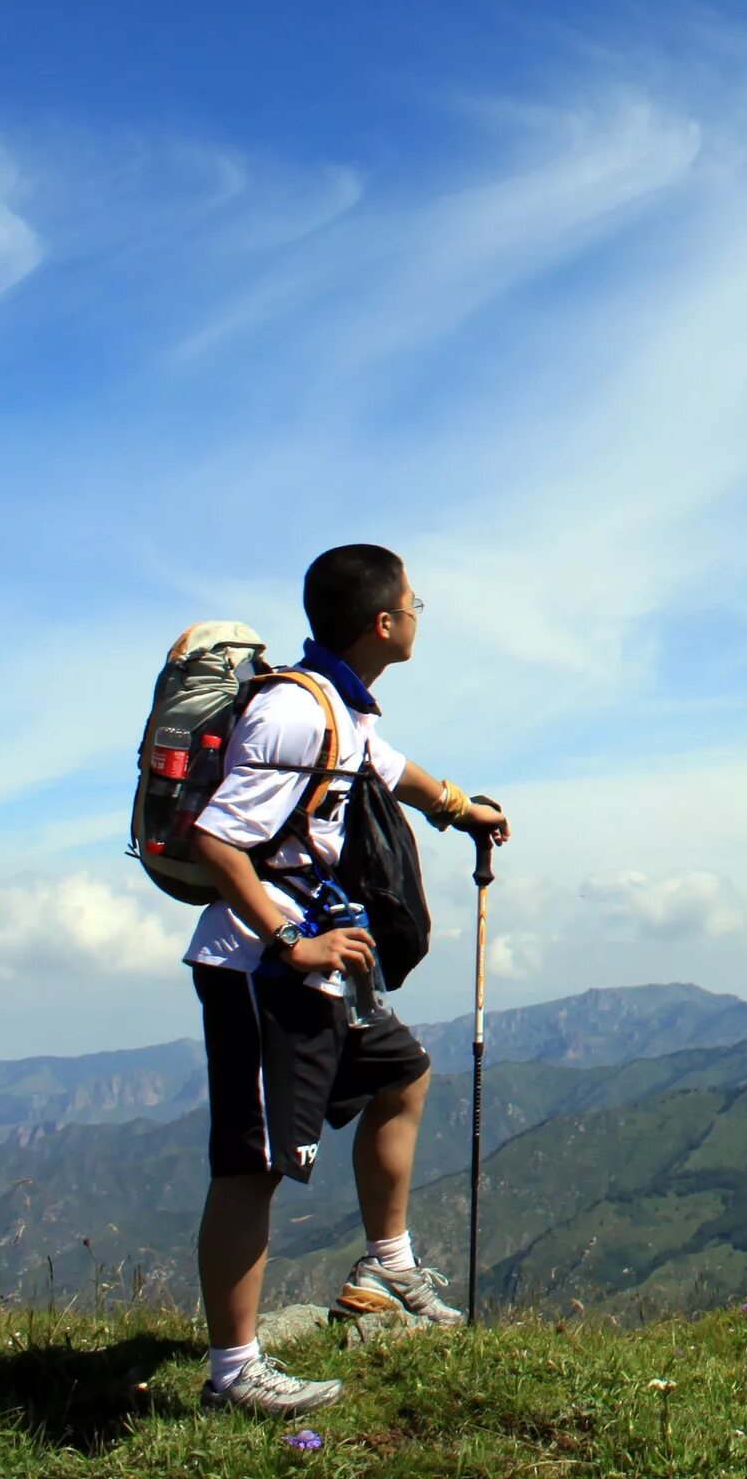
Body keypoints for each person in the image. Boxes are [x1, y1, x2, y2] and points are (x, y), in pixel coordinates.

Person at [184, 544, 513, 1418]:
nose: (420, 608)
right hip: (261, 972)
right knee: (251, 1165)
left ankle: (388, 1264)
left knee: (401, 1074)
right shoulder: (295, 713)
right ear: (381, 622)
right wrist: (293, 939)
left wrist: (458, 810)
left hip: (318, 971)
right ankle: (234, 1372)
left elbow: (387, 766)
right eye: (412, 598)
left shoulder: (341, 706)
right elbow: (217, 841)